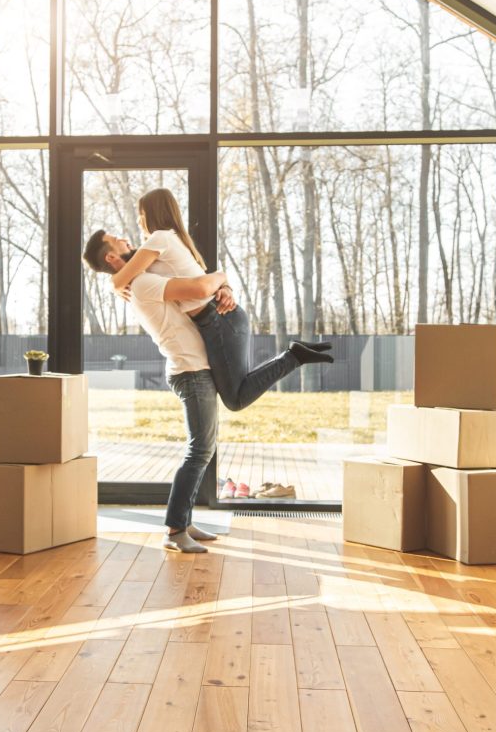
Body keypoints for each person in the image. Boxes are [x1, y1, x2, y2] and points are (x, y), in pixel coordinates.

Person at [83, 206, 333, 553]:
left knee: (205, 445)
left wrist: (224, 287)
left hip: (195, 367)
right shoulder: (141, 282)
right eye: (117, 239)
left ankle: (183, 521)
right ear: (112, 256)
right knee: (199, 450)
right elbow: (199, 285)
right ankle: (174, 531)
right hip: (190, 370)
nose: (127, 237)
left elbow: (195, 290)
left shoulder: (141, 277)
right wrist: (221, 277)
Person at [109, 188, 333, 411]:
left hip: (221, 320)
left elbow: (121, 279)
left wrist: (116, 286)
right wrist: (226, 285)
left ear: (153, 214)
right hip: (218, 320)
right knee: (236, 392)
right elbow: (130, 273)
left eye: (142, 214)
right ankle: (295, 355)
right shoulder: (168, 242)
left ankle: (294, 357)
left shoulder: (160, 238)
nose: (139, 220)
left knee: (235, 400)